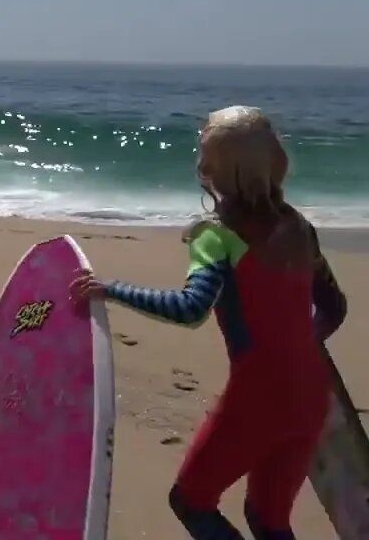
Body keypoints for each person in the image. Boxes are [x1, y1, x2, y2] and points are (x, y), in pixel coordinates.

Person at [70, 106, 347, 540]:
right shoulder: (299, 227)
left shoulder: (216, 234)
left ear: (212, 167)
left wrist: (112, 289)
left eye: (203, 151)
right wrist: (294, 349)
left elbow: (190, 308)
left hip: (257, 399)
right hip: (311, 394)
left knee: (191, 501)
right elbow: (334, 307)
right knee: (268, 519)